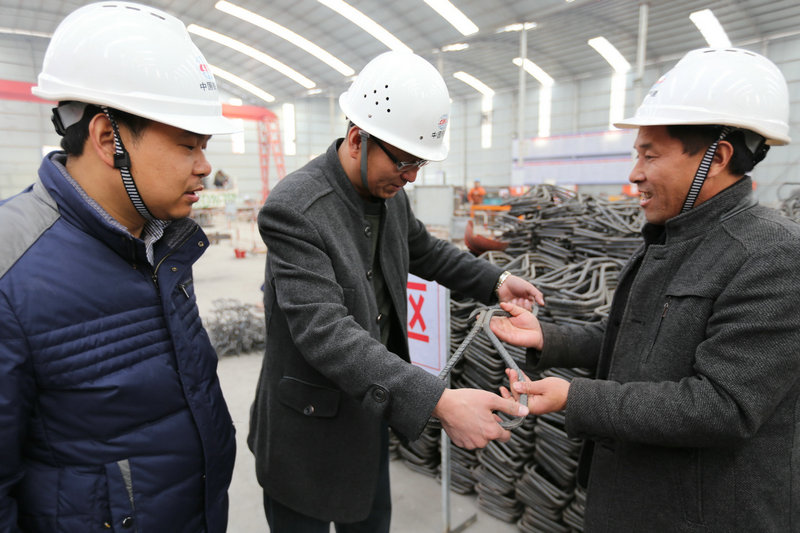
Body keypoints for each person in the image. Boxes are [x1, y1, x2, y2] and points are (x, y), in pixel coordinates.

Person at [490, 47, 800, 532]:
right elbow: (634, 339)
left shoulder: (773, 254)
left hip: (700, 514)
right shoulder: (671, 238)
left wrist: (577, 399)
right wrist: (549, 338)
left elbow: (723, 407)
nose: (634, 173)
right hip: (633, 500)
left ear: (716, 158)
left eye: (649, 155)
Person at [247, 50, 543, 532]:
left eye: (419, 162)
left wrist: (496, 282)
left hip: (367, 417)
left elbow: (427, 251)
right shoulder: (295, 209)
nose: (411, 176)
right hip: (304, 434)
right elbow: (326, 332)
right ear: (357, 139)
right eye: (404, 161)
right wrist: (439, 401)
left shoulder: (390, 197)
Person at [0, 2, 238, 531]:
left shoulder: (162, 240)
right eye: (188, 145)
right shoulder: (12, 270)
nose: (205, 166)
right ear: (109, 140)